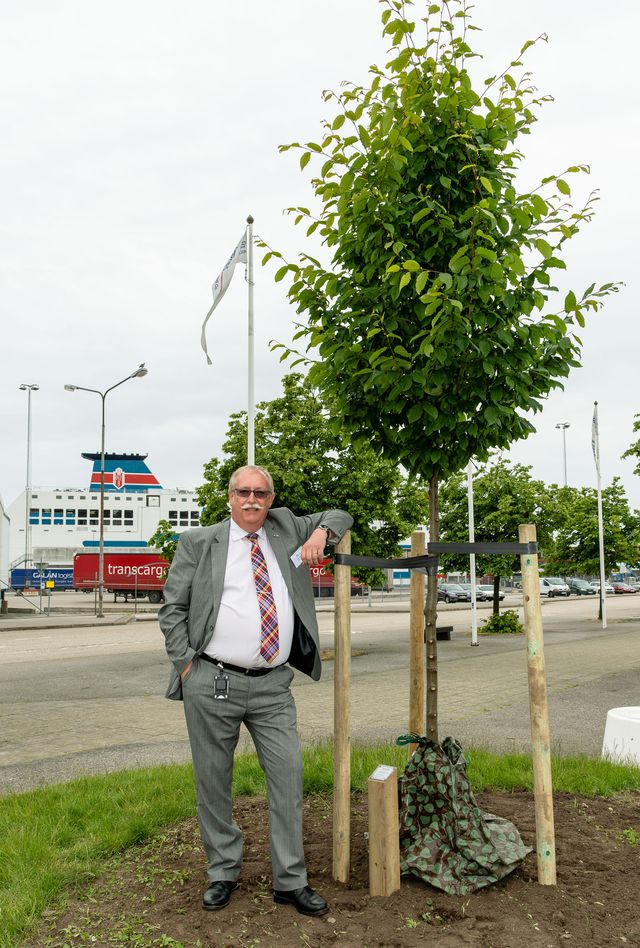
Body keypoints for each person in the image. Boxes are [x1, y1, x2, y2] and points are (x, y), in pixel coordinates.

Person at [159, 464, 353, 917]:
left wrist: (320, 534)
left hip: (273, 686)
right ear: (229, 497)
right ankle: (222, 871)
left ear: (271, 498)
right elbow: (173, 608)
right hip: (212, 681)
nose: (252, 500)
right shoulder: (199, 542)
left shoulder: (286, 526)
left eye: (260, 493)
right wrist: (186, 663)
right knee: (214, 782)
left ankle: (290, 880)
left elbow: (340, 514)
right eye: (243, 492)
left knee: (288, 777)